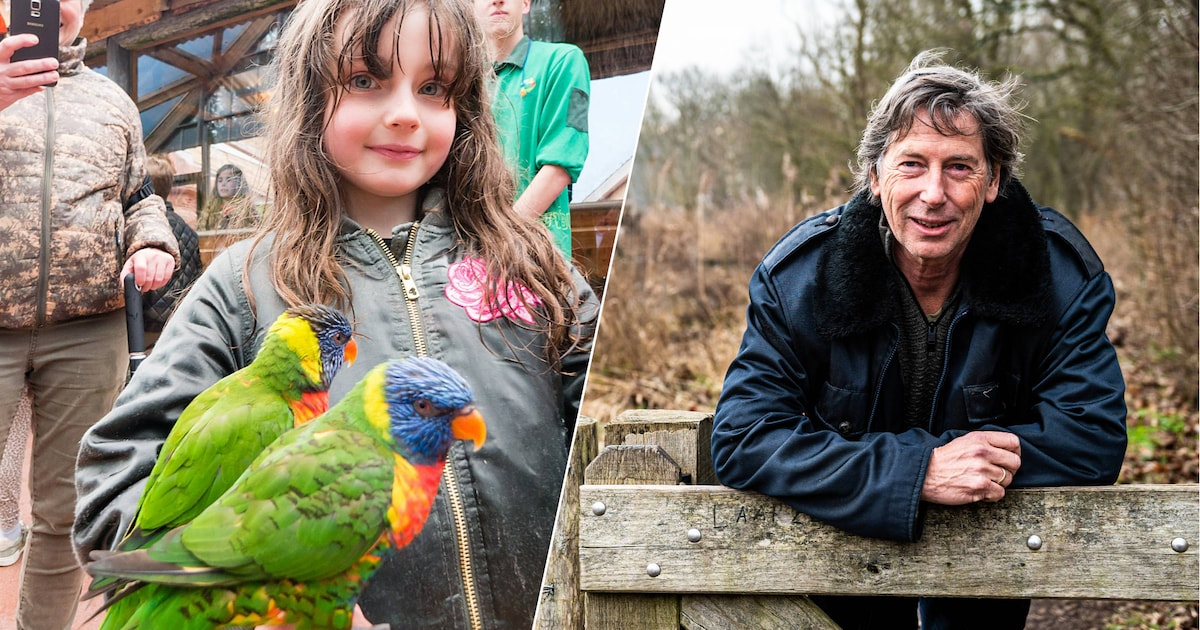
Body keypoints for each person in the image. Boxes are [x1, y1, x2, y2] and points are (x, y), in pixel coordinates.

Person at [73, 0, 598, 628]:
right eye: (365, 81)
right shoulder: (244, 287)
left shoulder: (532, 266)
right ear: (308, 100)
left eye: (434, 88)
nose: (404, 113)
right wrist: (253, 595)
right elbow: (117, 474)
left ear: (468, 110)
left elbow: (608, 426)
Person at [711, 50, 1127, 629]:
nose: (934, 193)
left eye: (959, 166)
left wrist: (968, 468)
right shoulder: (797, 281)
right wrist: (921, 470)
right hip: (835, 575)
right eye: (912, 165)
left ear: (994, 182)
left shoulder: (1057, 277)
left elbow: (1091, 436)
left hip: (988, 574)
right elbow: (744, 436)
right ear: (876, 179)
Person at [0, 0, 179, 625]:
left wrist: (152, 241)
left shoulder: (111, 101)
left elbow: (140, 196)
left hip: (88, 329)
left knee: (64, 508)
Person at [476, 0, 590, 257]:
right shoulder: (461, 80)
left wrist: (499, 243)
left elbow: (561, 163)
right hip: (467, 257)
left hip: (537, 257)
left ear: (525, 3)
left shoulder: (564, 61)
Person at [142, 154, 203, 347]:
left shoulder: (141, 228)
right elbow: (196, 277)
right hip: (175, 324)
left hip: (144, 325)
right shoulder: (187, 229)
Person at [196, 163, 260, 231]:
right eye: (220, 181)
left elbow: (255, 231)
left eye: (228, 180)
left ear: (238, 183)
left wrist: (234, 216)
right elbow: (201, 231)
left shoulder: (247, 208)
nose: (223, 184)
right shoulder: (210, 207)